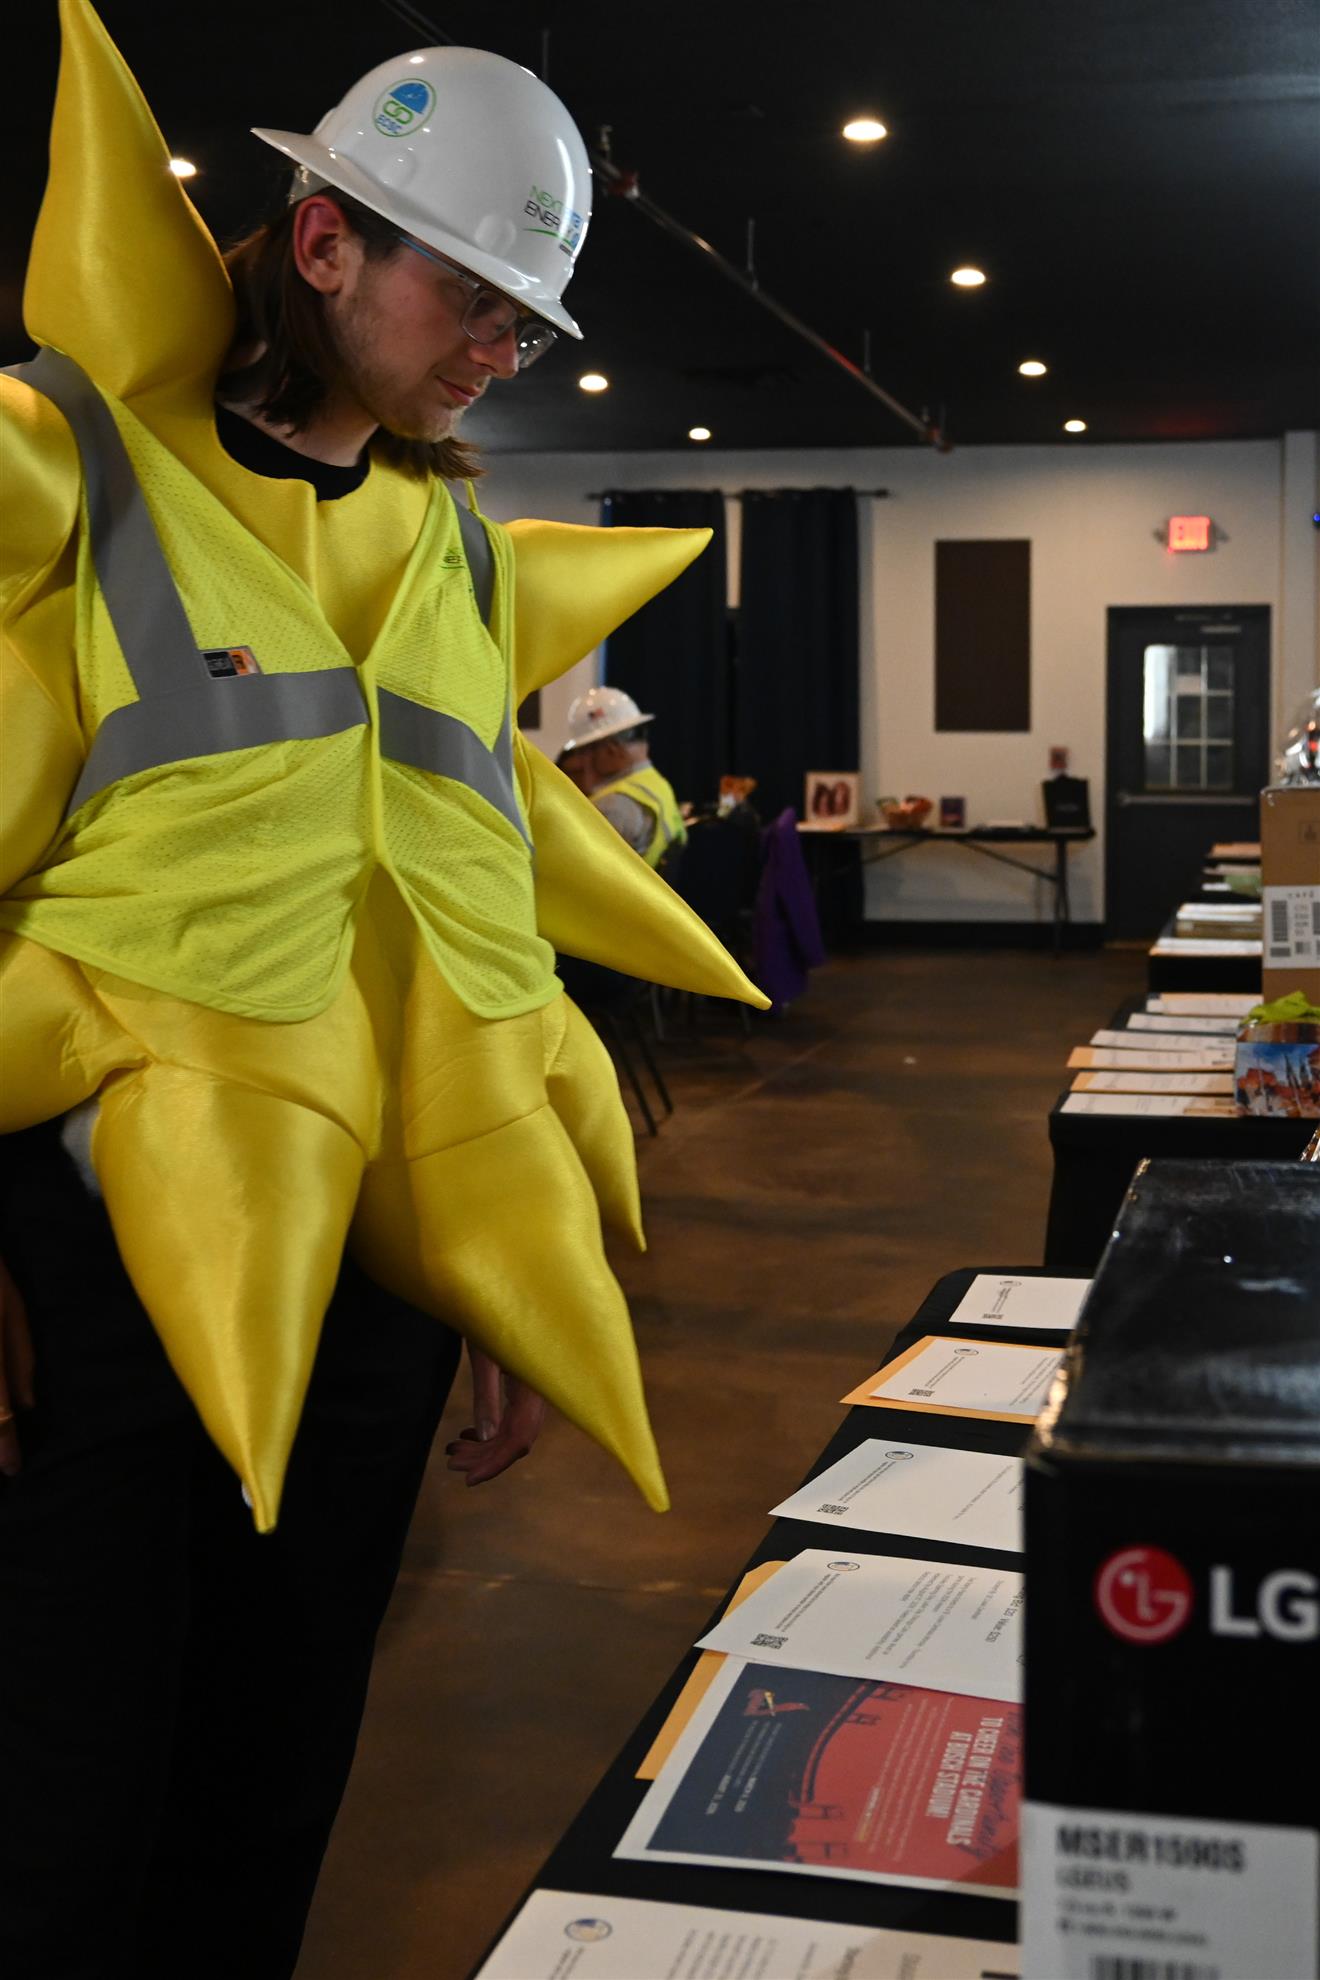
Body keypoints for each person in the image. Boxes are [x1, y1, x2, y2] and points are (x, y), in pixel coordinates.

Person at [0, 7, 765, 1973]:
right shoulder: (76, 475)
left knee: (273, 1782)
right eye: (473, 298)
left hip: (368, 1265)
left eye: (528, 325)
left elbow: (475, 903)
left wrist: (491, 1243)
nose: (500, 349)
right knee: (65, 1802)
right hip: (87, 1268)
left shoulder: (465, 557)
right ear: (326, 241)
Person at [561, 685, 689, 868]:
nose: (583, 762)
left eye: (584, 752)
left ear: (611, 749)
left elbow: (578, 871)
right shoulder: (655, 784)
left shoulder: (613, 807)